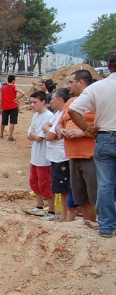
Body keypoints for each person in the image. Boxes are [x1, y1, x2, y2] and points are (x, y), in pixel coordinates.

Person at [68, 51, 116, 237]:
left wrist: (88, 130)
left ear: (109, 66)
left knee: (105, 184)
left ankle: (106, 226)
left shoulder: (98, 87)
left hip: (104, 136)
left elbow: (73, 111)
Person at [61, 69, 97, 225]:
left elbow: (105, 128)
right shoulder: (70, 102)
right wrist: (60, 130)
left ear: (81, 82)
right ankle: (90, 226)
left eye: (71, 82)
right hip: (72, 155)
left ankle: (103, 226)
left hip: (91, 156)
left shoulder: (96, 101)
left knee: (96, 196)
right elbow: (60, 123)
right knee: (81, 197)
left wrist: (81, 133)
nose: (69, 86)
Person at [23, 92, 56, 217]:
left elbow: (39, 137)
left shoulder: (49, 116)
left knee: (45, 183)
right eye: (31, 102)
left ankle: (51, 211)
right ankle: (39, 206)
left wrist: (35, 136)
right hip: (35, 155)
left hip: (44, 157)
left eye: (35, 102)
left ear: (43, 102)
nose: (32, 105)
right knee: (34, 181)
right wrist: (35, 136)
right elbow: (30, 134)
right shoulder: (35, 116)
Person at [43, 87, 72, 222]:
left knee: (64, 188)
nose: (51, 102)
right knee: (60, 188)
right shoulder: (57, 113)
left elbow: (48, 135)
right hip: (55, 156)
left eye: (53, 99)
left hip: (61, 156)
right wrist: (52, 132)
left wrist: (51, 133)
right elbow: (46, 128)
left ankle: (66, 216)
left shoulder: (62, 114)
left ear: (60, 99)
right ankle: (64, 214)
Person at [0, 75, 25, 141]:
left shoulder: (3, 88)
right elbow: (23, 93)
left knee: (3, 121)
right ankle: (10, 136)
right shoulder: (14, 87)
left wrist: (0, 108)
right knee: (12, 122)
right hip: (13, 106)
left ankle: (1, 135)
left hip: (5, 107)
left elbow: (1, 99)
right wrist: (17, 99)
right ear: (13, 80)